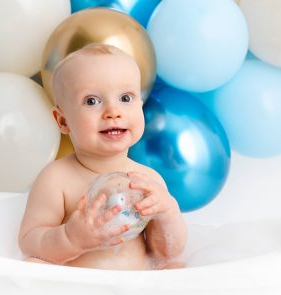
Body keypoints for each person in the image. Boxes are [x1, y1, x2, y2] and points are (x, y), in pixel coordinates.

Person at [18, 44, 187, 270]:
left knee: (175, 268)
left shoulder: (148, 180)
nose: (113, 112)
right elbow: (29, 243)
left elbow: (166, 252)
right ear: (63, 121)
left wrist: (168, 212)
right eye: (92, 101)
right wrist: (71, 239)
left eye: (125, 98)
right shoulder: (56, 179)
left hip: (138, 286)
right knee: (32, 266)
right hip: (76, 286)